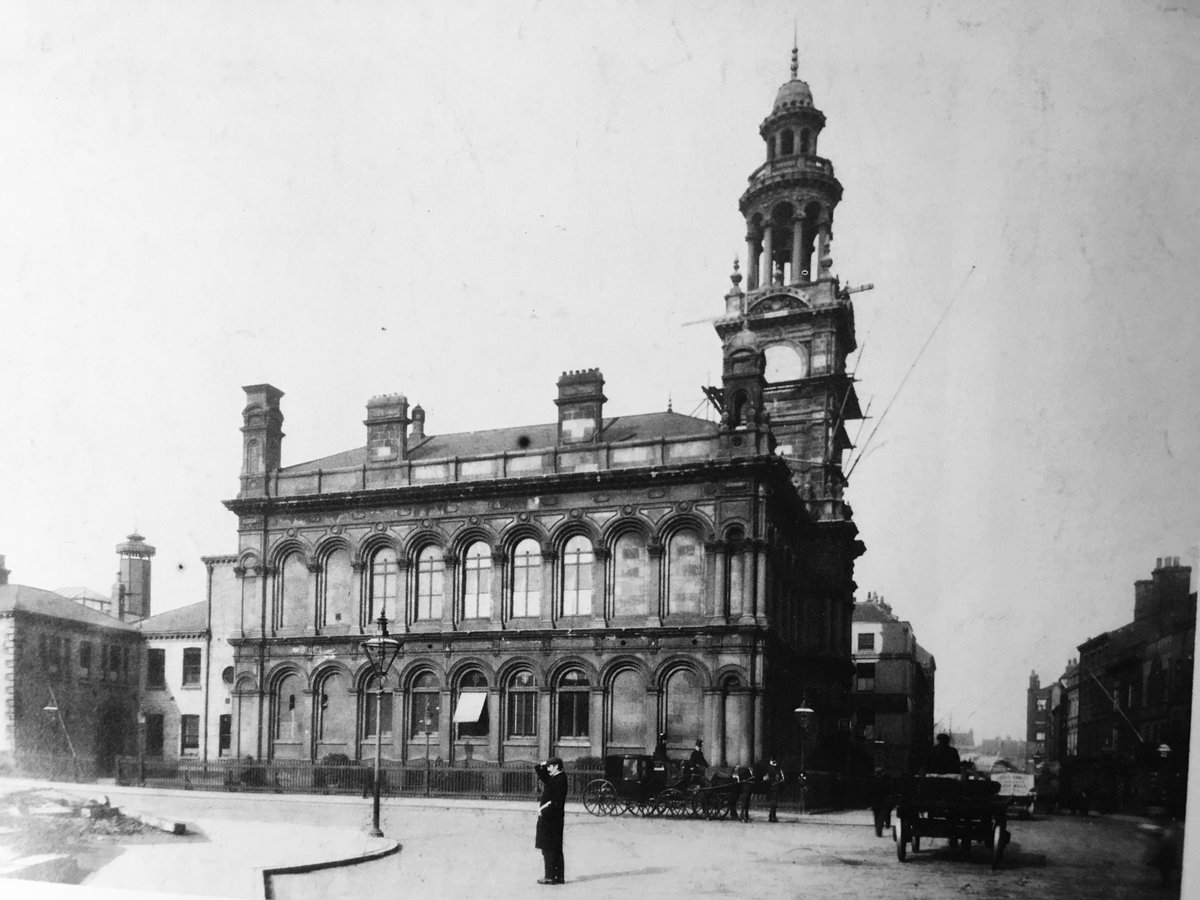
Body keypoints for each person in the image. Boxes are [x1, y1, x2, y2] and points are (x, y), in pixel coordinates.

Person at [534, 757, 567, 885]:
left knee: (549, 848)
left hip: (551, 819)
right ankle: (558, 877)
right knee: (554, 848)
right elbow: (541, 772)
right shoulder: (557, 778)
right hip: (553, 819)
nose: (547, 769)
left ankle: (550, 876)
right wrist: (541, 764)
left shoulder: (559, 780)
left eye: (550, 766)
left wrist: (543, 811)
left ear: (557, 766)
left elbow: (555, 802)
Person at [764, 756, 786, 822]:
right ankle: (772, 816)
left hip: (775, 786)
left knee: (774, 802)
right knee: (774, 802)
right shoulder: (771, 769)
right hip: (772, 787)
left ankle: (772, 816)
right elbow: (766, 778)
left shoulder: (777, 769)